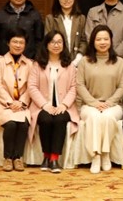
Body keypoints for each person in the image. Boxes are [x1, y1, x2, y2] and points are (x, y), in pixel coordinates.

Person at [76, 25, 123, 174]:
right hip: (89, 105)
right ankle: (96, 156)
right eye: (99, 39)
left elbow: (122, 86)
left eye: (106, 39)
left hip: (113, 105)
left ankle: (105, 153)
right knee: (94, 117)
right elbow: (80, 85)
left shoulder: (119, 62)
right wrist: (94, 103)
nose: (102, 42)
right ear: (93, 41)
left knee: (107, 117)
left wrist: (109, 103)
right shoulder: (85, 61)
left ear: (111, 41)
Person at [28, 30, 79, 173]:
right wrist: (44, 105)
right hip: (42, 105)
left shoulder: (69, 65)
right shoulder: (37, 65)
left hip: (64, 106)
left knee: (60, 119)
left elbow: (74, 87)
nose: (56, 45)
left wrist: (64, 105)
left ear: (64, 44)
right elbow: (32, 87)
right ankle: (46, 156)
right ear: (46, 44)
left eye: (59, 42)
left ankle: (54, 159)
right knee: (45, 119)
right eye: (52, 42)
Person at [0, 27, 33, 172]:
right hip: (3, 104)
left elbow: (31, 86)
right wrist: (10, 102)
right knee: (11, 124)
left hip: (22, 105)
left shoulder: (30, 64)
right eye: (15, 41)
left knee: (24, 124)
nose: (18, 45)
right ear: (8, 43)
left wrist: (22, 102)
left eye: (21, 42)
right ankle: (8, 158)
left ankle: (18, 158)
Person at [44, 0, 87, 65]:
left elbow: (84, 41)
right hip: (56, 62)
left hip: (78, 62)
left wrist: (76, 61)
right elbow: (48, 41)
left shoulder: (81, 18)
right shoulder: (50, 19)